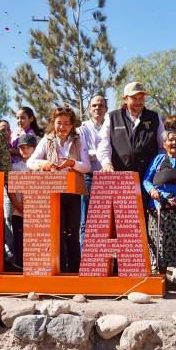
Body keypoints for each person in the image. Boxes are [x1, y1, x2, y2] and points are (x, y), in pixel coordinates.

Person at [27, 106, 91, 273]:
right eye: (59, 123)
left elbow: (87, 166)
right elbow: (30, 162)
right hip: (53, 194)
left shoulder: (79, 139)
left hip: (73, 193)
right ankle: (59, 271)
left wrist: (72, 163)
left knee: (73, 233)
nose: (62, 127)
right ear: (53, 123)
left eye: (66, 124)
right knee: (57, 233)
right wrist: (43, 164)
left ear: (71, 126)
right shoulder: (46, 140)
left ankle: (76, 272)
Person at [143, 129, 176, 282]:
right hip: (160, 205)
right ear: (164, 144)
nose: (174, 143)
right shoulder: (159, 159)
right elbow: (147, 180)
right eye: (171, 140)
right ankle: (161, 276)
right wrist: (152, 190)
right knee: (161, 240)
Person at [4, 133, 38, 271]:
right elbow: (10, 188)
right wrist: (18, 206)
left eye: (28, 147)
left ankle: (35, 268)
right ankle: (20, 269)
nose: (24, 150)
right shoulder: (14, 167)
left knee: (35, 242)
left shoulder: (41, 166)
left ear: (35, 148)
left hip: (37, 212)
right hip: (18, 211)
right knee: (19, 241)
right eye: (21, 147)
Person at [77, 95, 107, 249]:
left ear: (106, 109)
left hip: (108, 179)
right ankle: (85, 260)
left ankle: (105, 262)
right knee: (86, 221)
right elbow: (83, 154)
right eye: (94, 105)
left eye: (101, 105)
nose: (97, 108)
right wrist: (103, 154)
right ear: (89, 109)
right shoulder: (82, 129)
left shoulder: (111, 126)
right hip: (89, 178)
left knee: (105, 223)